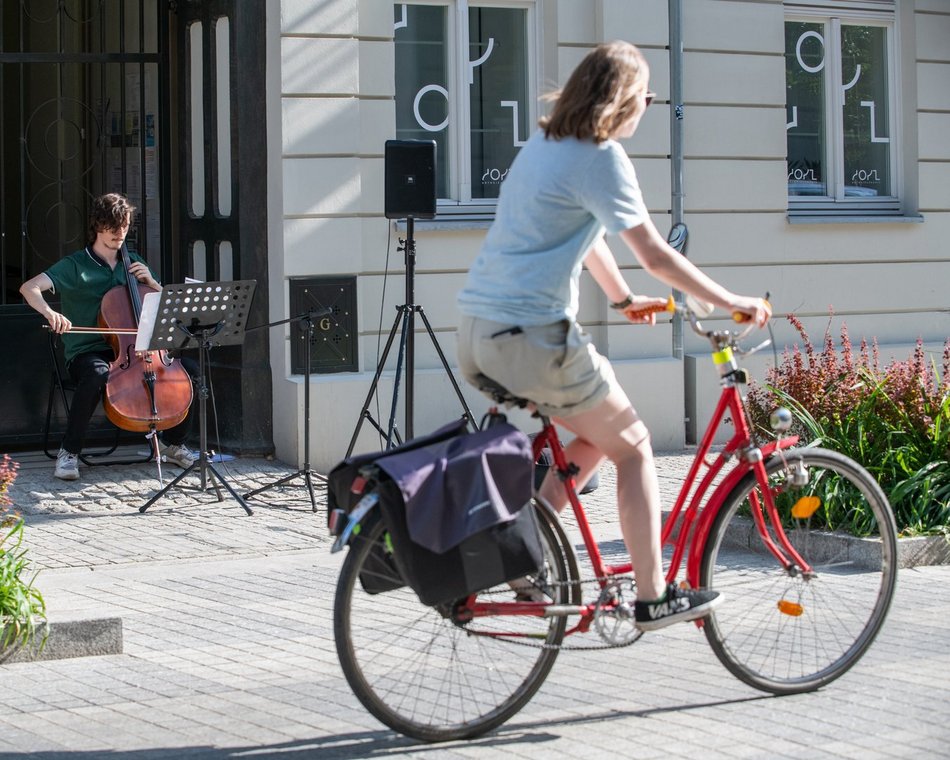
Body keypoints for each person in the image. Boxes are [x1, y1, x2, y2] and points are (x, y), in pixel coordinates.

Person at [457, 41, 771, 631]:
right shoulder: (602, 157)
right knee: (634, 444)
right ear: (625, 99)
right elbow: (654, 252)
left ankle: (523, 552)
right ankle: (655, 597)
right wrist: (730, 301)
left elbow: (590, 234)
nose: (648, 108)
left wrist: (623, 299)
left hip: (478, 332)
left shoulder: (542, 146)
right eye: (646, 97)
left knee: (595, 435)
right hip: (532, 335)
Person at [20, 193, 198, 481]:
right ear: (98, 226)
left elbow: (163, 310)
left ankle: (173, 444)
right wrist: (50, 314)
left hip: (136, 351)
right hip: (88, 350)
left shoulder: (135, 263)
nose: (119, 234)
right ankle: (69, 452)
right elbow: (29, 288)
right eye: (113, 227)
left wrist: (153, 283)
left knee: (191, 372)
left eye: (124, 227)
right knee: (97, 372)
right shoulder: (76, 265)